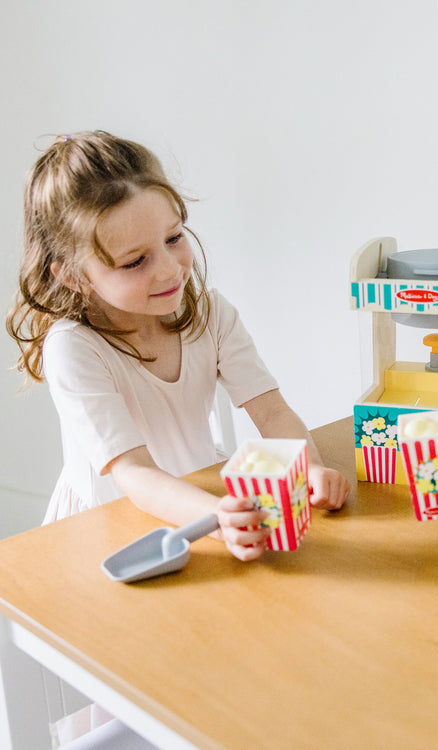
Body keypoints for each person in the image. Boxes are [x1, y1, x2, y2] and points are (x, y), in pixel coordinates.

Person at [7, 131, 350, 562]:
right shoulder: (74, 348)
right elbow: (133, 472)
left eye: (173, 238)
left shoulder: (209, 312)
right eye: (135, 261)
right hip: (111, 524)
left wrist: (309, 467)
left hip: (199, 494)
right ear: (73, 276)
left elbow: (272, 410)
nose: (170, 270)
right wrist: (215, 517)